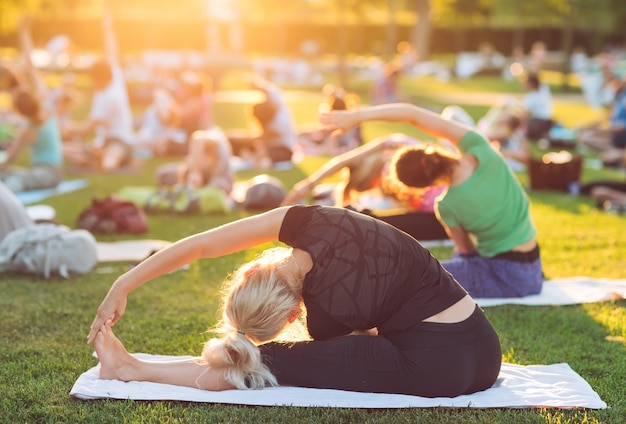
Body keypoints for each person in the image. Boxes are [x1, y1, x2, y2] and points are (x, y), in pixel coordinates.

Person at [88, 205, 501, 397]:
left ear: (292, 314)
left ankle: (130, 368)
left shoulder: (326, 316)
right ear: (251, 271)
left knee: (262, 363)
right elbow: (203, 245)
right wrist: (123, 283)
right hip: (485, 349)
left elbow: (361, 341)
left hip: (436, 369)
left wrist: (126, 281)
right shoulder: (307, 219)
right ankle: (128, 366)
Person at [319, 103, 543, 299]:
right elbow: (411, 114)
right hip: (533, 263)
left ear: (424, 186)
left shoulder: (447, 206)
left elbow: (467, 253)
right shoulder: (479, 146)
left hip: (508, 276)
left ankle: (340, 286)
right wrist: (357, 116)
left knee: (417, 275)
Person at [283, 132, 449, 241]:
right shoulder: (393, 154)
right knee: (370, 222)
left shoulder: (395, 148)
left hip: (447, 218)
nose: (374, 187)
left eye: (368, 185)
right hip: (438, 217)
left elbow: (343, 161)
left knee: (377, 225)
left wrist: (310, 183)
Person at [63, 1, 136, 172]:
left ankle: (100, 157)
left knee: (109, 164)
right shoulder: (114, 76)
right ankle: (95, 155)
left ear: (101, 79)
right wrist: (107, 24)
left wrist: (67, 128)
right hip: (102, 141)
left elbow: (88, 128)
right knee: (64, 151)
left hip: (120, 142)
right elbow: (111, 50)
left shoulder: (111, 97)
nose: (92, 83)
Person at [0, 16, 64, 193]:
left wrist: (23, 31)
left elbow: (9, 159)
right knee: (11, 176)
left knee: (15, 179)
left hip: (49, 174)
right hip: (43, 172)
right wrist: (24, 32)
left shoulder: (27, 130)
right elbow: (30, 66)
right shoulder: (47, 106)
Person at [226, 76, 297, 168]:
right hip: (266, 145)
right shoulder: (275, 102)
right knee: (231, 140)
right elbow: (271, 89)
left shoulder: (280, 123)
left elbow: (261, 141)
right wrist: (256, 84)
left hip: (282, 149)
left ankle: (255, 159)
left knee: (266, 156)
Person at [522, 73, 554, 140]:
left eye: (526, 82)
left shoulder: (530, 97)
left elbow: (525, 114)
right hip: (548, 122)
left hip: (537, 123)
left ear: (531, 84)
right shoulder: (544, 90)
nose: (524, 84)